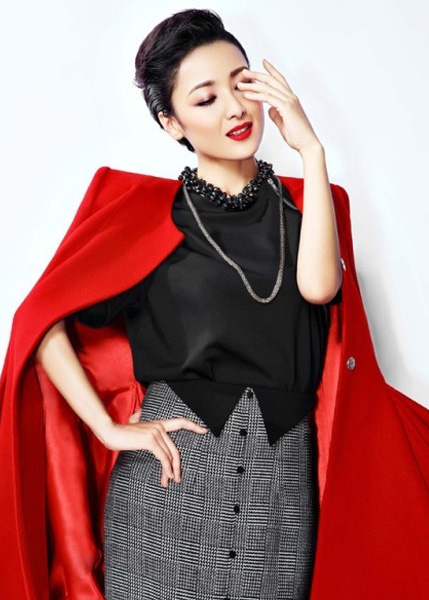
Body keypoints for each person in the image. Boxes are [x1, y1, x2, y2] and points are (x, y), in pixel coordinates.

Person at [1, 8, 429, 600]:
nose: (234, 108)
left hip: (281, 497)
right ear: (171, 122)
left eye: (242, 84)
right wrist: (107, 427)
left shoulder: (311, 210)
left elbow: (319, 289)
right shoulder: (143, 218)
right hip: (168, 489)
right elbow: (38, 321)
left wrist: (312, 150)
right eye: (206, 98)